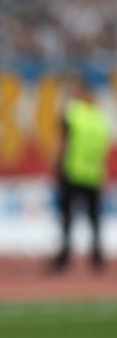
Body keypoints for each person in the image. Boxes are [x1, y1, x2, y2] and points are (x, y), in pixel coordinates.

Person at [51, 73, 110, 272]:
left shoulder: (72, 112)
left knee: (68, 218)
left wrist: (55, 164)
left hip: (73, 172)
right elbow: (103, 149)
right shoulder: (99, 117)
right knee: (94, 219)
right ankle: (97, 259)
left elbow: (62, 141)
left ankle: (64, 258)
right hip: (92, 174)